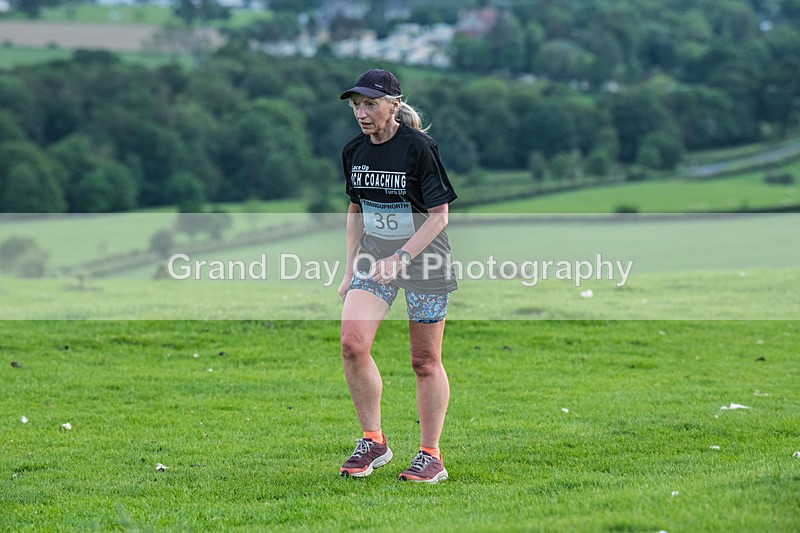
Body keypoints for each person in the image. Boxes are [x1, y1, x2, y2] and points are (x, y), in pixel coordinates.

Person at [337, 68, 458, 484]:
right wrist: (350, 269)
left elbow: (439, 216)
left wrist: (402, 257)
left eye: (370, 104)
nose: (361, 113)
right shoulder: (354, 151)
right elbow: (356, 211)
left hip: (425, 261)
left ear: (393, 105)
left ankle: (430, 455)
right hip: (374, 258)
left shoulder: (419, 148)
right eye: (356, 105)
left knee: (424, 361)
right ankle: (373, 440)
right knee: (352, 344)